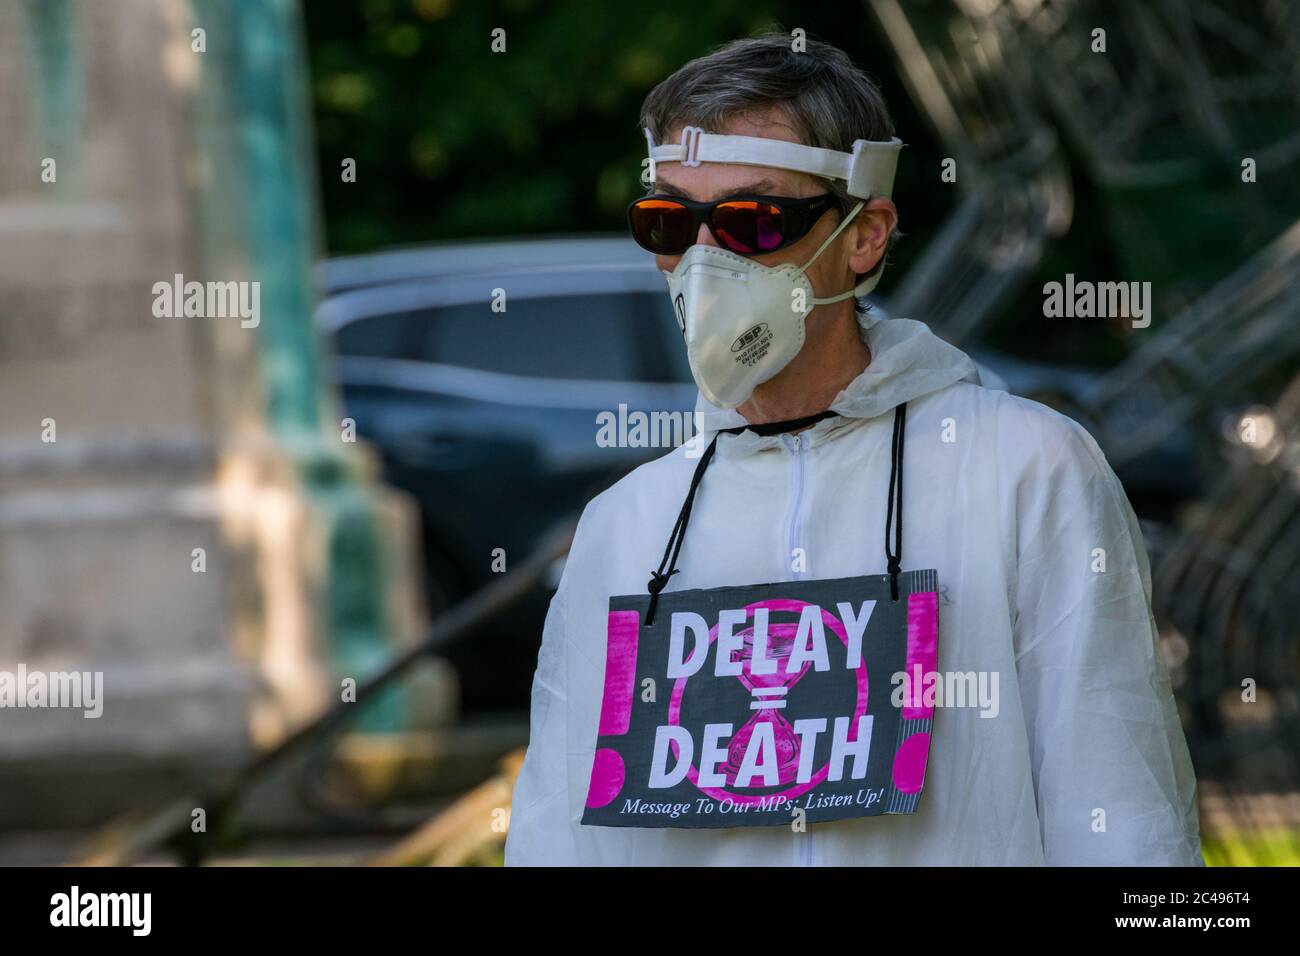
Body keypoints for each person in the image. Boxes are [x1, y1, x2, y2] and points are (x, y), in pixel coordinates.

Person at [506, 33, 1201, 866]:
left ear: (865, 235)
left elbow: (1119, 812)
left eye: (752, 221)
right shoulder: (627, 526)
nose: (702, 262)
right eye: (667, 222)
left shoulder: (1027, 469)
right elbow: (560, 839)